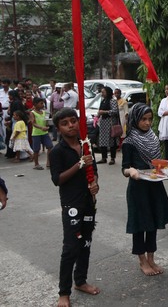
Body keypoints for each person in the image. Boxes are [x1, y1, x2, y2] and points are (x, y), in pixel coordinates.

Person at [49, 108, 100, 307]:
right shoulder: (57, 152)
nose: (71, 125)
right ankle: (64, 292)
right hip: (72, 205)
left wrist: (95, 183)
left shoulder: (85, 145)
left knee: (85, 244)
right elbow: (57, 179)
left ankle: (80, 281)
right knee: (71, 248)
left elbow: (93, 171)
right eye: (65, 123)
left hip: (88, 203)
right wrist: (79, 165)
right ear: (59, 128)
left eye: (73, 121)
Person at [121, 103, 168, 276]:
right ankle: (142, 260)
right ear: (136, 119)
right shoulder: (129, 142)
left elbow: (155, 162)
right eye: (143, 119)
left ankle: (151, 258)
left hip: (154, 186)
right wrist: (131, 171)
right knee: (140, 225)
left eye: (150, 119)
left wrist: (165, 168)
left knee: (153, 223)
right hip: (138, 188)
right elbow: (124, 168)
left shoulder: (153, 137)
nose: (147, 123)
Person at [97, 87, 119, 165]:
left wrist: (104, 112)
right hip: (103, 123)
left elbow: (115, 111)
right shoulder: (103, 100)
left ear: (108, 92)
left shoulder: (112, 100)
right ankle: (104, 158)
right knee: (102, 140)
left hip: (110, 123)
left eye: (103, 92)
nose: (102, 94)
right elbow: (100, 111)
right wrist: (98, 115)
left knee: (111, 141)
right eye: (101, 92)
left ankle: (112, 158)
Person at [30, 97, 53, 170]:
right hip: (36, 133)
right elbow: (33, 123)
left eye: (43, 103)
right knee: (36, 149)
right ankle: (36, 164)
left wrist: (48, 124)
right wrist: (41, 127)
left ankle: (49, 162)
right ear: (35, 104)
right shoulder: (32, 113)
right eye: (41, 103)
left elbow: (45, 121)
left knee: (50, 146)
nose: (43, 105)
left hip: (44, 132)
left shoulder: (43, 112)